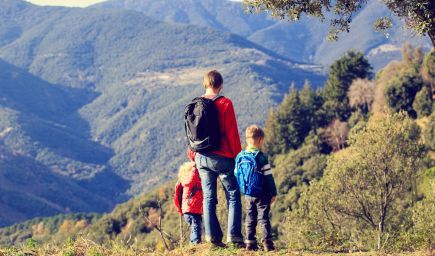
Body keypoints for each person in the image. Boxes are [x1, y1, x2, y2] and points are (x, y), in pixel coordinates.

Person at [194, 70, 244, 247]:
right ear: (220, 85)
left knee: (208, 197)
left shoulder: (196, 104)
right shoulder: (225, 103)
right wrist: (238, 157)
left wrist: (194, 155)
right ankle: (234, 237)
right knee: (232, 194)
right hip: (222, 158)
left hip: (201, 157)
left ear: (205, 84)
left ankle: (213, 239)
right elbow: (232, 133)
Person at [236, 125, 277, 251]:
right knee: (263, 217)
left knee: (250, 217)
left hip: (248, 193)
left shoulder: (240, 156)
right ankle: (267, 243)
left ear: (247, 140)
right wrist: (273, 193)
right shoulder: (261, 157)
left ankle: (250, 243)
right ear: (260, 140)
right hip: (262, 193)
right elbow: (268, 177)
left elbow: (237, 174)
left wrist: (244, 189)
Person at [174, 152, 203, 244]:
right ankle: (195, 243)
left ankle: (193, 242)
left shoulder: (194, 181)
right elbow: (193, 177)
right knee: (195, 226)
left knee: (195, 226)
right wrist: (195, 167)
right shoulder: (188, 180)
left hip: (193, 209)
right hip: (191, 209)